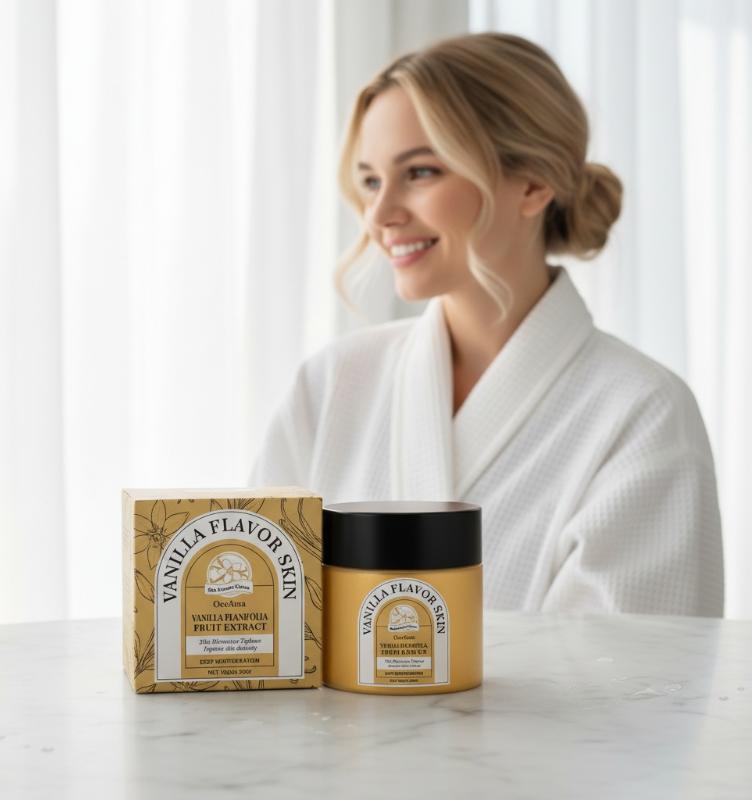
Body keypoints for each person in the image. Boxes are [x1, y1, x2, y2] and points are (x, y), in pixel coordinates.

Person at [248, 32, 724, 617]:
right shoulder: (330, 384)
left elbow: (627, 668)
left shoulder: (642, 413)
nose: (380, 215)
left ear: (534, 183)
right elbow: (261, 625)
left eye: (420, 172)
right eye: (370, 180)